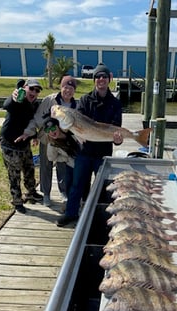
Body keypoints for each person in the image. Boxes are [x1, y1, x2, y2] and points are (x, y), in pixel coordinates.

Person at [56, 63, 123, 227]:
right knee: (76, 186)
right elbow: (77, 125)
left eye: (104, 76)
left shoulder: (115, 103)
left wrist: (117, 139)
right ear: (94, 80)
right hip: (84, 152)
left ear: (109, 79)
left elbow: (116, 130)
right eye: (98, 76)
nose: (101, 79)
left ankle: (102, 218)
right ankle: (71, 214)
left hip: (104, 154)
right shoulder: (85, 100)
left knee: (103, 188)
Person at [15, 75, 77, 207]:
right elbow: (37, 119)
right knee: (45, 166)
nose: (68, 91)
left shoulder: (75, 104)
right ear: (61, 87)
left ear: (74, 91)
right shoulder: (50, 100)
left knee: (62, 166)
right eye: (65, 87)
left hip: (63, 141)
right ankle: (46, 194)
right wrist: (29, 133)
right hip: (46, 139)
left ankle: (63, 192)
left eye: (71, 88)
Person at [0, 79, 43, 214]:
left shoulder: (34, 105)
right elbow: (7, 105)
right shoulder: (18, 99)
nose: (34, 92)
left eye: (37, 90)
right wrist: (15, 95)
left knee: (29, 170)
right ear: (25, 88)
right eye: (32, 89)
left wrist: (34, 136)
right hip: (10, 145)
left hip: (24, 144)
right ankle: (17, 201)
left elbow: (31, 122)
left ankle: (31, 193)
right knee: (14, 175)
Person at [43, 117, 81, 206]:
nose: (52, 132)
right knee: (71, 187)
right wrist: (65, 158)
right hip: (71, 166)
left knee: (83, 187)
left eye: (53, 128)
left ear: (58, 126)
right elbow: (51, 158)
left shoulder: (71, 132)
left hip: (83, 162)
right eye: (48, 130)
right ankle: (70, 208)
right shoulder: (52, 144)